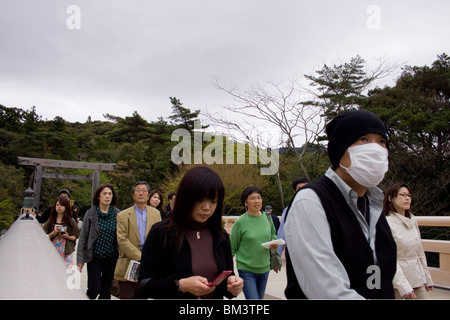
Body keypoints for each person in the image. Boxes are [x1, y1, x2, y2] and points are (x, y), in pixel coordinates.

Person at [284, 110, 397, 299]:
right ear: (340, 148)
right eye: (363, 139)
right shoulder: (311, 201)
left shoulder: (374, 204)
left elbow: (378, 275)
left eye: (381, 141)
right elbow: (327, 291)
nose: (375, 149)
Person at [137, 166, 243, 299]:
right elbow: (144, 285)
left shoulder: (220, 236)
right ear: (185, 198)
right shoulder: (161, 233)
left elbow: (225, 280)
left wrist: (232, 284)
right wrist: (180, 285)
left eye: (213, 201)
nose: (207, 207)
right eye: (200, 200)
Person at [383, 183, 433, 299]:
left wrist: (427, 277)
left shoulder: (413, 220)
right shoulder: (386, 223)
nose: (407, 198)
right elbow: (389, 258)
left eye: (409, 195)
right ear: (391, 198)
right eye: (403, 195)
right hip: (397, 279)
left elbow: (419, 251)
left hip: (416, 277)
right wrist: (403, 285)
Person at [114, 182, 161, 299]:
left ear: (148, 195)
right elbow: (122, 239)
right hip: (128, 262)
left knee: (143, 295)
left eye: (144, 191)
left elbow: (159, 237)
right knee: (127, 295)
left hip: (148, 264)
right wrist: (140, 256)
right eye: (138, 190)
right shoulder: (122, 215)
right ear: (133, 195)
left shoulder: (156, 214)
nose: (141, 193)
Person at [230, 186, 279, 300]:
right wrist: (227, 271)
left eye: (259, 198)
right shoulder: (240, 222)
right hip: (246, 270)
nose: (257, 201)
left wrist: (273, 241)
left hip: (264, 269)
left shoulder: (268, 218)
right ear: (246, 202)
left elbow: (273, 234)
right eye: (252, 198)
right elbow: (232, 247)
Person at [77, 183, 121, 299]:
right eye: (104, 193)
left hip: (112, 258)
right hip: (95, 257)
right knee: (94, 288)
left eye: (110, 194)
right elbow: (83, 237)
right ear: (98, 196)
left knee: (106, 290)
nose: (107, 196)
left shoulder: (118, 214)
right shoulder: (91, 213)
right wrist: (80, 259)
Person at [43, 196, 79, 269]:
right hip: (52, 251)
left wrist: (67, 236)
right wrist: (53, 232)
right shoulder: (51, 220)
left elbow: (76, 236)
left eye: (62, 205)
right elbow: (43, 236)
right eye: (57, 205)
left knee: (66, 273)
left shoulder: (71, 221)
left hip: (66, 251)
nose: (59, 207)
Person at [277, 178, 309, 256]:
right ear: (294, 192)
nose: (303, 191)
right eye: (299, 189)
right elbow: (282, 233)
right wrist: (277, 256)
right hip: (294, 252)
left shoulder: (319, 208)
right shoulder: (288, 210)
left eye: (306, 188)